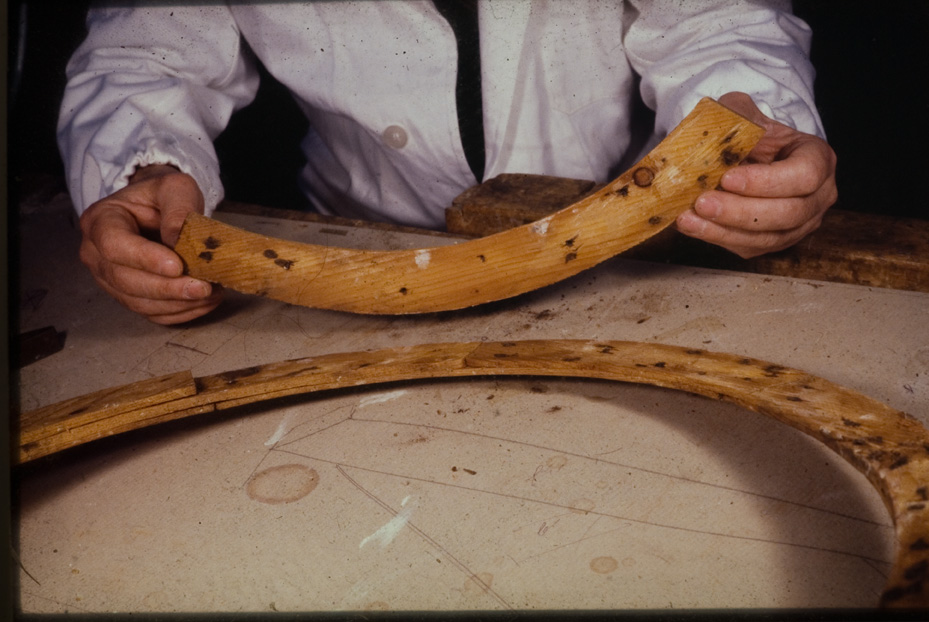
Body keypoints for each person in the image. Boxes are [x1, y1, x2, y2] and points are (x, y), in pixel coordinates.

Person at [58, 1, 837, 325]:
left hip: (631, 255)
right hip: (344, 240)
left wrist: (753, 124)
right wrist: (138, 169)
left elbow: (713, 22)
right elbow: (146, 48)